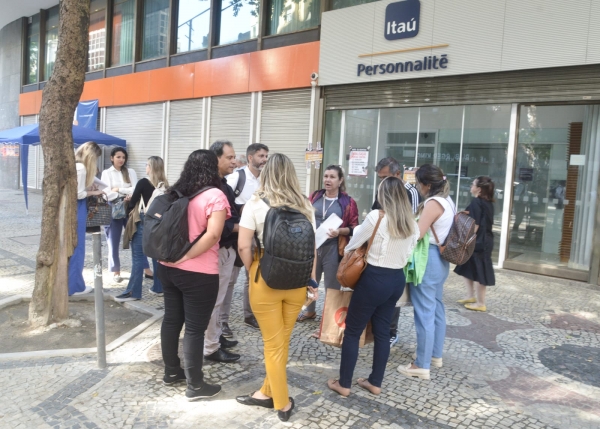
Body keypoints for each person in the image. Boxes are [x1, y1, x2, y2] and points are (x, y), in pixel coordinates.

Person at [235, 153, 317, 422]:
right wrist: (311, 281)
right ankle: (265, 392)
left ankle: (281, 403)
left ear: (266, 173)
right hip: (296, 282)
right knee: (281, 341)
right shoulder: (305, 205)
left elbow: (244, 245)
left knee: (273, 344)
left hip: (265, 278)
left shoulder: (256, 203)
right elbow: (312, 249)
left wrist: (252, 270)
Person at [327, 177, 419, 397]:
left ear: (383, 195)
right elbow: (408, 254)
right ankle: (375, 382)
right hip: (396, 279)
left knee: (352, 331)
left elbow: (352, 244)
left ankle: (344, 383)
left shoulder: (376, 217)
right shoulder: (412, 223)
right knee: (382, 331)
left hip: (374, 278)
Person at [157, 150, 230, 401]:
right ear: (213, 168)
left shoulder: (175, 192)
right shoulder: (215, 195)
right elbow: (212, 236)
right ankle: (196, 386)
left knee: (171, 320)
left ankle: (171, 372)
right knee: (195, 330)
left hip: (167, 267)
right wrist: (187, 256)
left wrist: (177, 258)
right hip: (198, 273)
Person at [397, 164, 455, 380]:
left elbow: (418, 234)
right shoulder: (448, 201)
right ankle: (434, 355)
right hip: (440, 261)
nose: (418, 187)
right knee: (436, 309)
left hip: (427, 259)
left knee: (424, 314)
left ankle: (421, 364)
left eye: (418, 183)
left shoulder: (433, 203)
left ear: (427, 185)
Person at [297, 165, 358, 324]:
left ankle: (330, 318)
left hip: (333, 248)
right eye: (325, 176)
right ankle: (309, 311)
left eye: (332, 177)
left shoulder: (347, 202)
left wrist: (340, 232)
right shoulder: (315, 197)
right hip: (313, 246)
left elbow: (355, 227)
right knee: (310, 280)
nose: (327, 180)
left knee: (332, 285)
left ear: (340, 180)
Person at [372, 157, 421, 347]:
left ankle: (391, 332)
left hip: (399, 251)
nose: (382, 182)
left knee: (394, 296)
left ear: (398, 174)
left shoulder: (411, 192)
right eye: (380, 178)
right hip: (379, 249)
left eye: (386, 177)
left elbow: (413, 223)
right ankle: (376, 327)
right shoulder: (382, 190)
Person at [222, 143, 269, 334]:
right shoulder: (236, 178)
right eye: (261, 156)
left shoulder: (266, 179)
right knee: (230, 279)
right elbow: (223, 200)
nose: (265, 160)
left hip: (258, 235)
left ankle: (250, 315)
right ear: (250, 158)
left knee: (254, 276)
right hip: (237, 234)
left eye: (266, 156)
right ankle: (222, 321)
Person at [203, 140, 242, 363]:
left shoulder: (222, 183)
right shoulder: (212, 186)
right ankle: (210, 347)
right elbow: (218, 224)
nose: (234, 161)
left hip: (227, 249)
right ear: (215, 158)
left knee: (221, 297)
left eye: (234, 157)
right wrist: (241, 226)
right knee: (215, 300)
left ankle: (215, 336)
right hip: (218, 249)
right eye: (229, 157)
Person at [115, 156, 168, 302]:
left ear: (150, 167)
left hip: (144, 221)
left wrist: (130, 200)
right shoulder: (165, 186)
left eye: (147, 165)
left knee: (138, 257)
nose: (145, 167)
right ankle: (158, 287)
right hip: (159, 224)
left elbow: (132, 204)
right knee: (156, 256)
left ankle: (133, 292)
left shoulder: (143, 182)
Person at [101, 148, 150, 283]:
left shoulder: (130, 172)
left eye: (123, 157)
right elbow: (106, 192)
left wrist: (119, 190)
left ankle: (145, 268)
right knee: (113, 239)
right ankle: (115, 270)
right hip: (113, 207)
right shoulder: (107, 173)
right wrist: (121, 194)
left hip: (130, 206)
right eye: (118, 157)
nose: (121, 160)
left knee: (137, 237)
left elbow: (135, 189)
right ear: (112, 158)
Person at [455, 176, 496, 312]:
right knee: (468, 267)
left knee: (480, 271)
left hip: (479, 242)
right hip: (485, 240)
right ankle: (471, 296)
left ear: (478, 189)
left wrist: (466, 240)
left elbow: (476, 225)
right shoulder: (486, 202)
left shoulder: (476, 202)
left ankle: (480, 303)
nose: (471, 186)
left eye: (473, 184)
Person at [68, 141, 103, 296]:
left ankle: (73, 284)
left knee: (73, 247)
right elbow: (78, 194)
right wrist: (94, 193)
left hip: (72, 208)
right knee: (78, 246)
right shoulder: (81, 168)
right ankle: (74, 286)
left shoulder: (75, 165)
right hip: (78, 207)